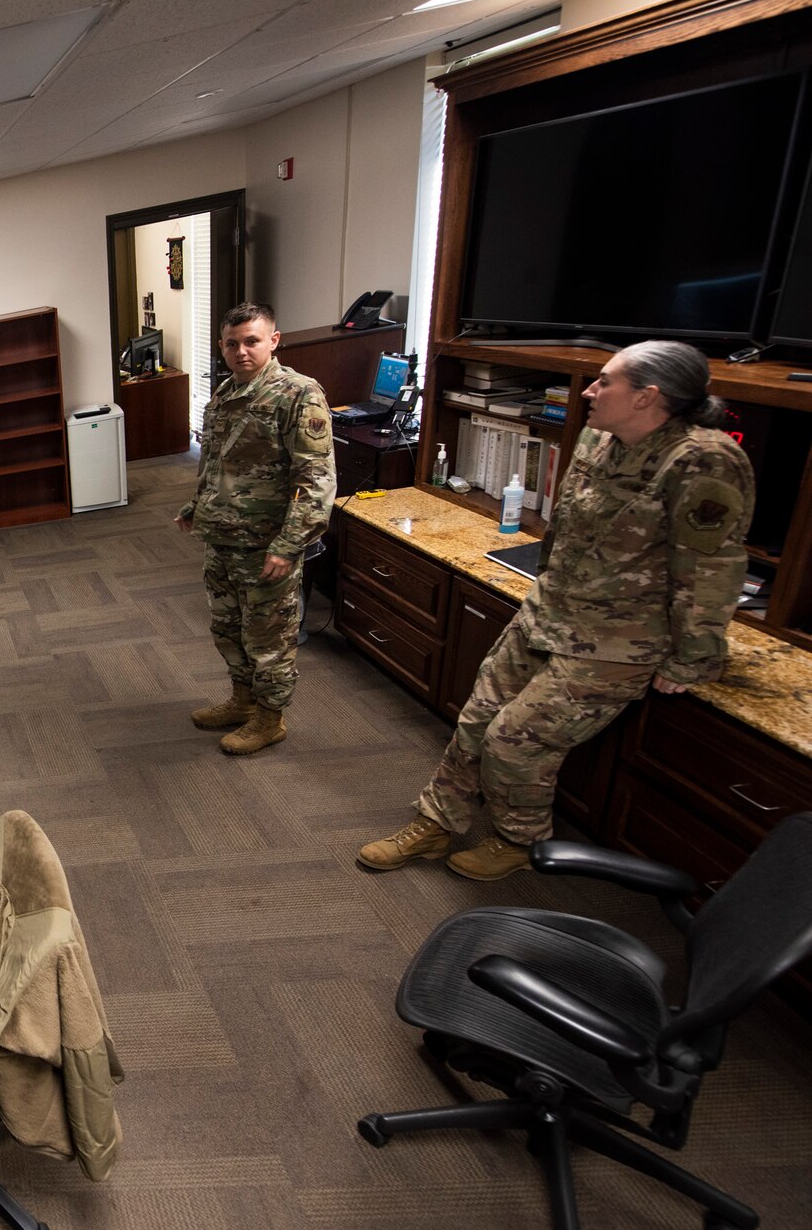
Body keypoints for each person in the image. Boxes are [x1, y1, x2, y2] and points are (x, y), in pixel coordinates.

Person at [359, 339, 754, 881]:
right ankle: (437, 821)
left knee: (515, 741)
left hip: (617, 642)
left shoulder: (705, 462)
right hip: (549, 611)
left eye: (605, 381)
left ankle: (517, 840)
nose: (590, 390)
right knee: (476, 719)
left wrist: (691, 659)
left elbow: (712, 571)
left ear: (647, 397)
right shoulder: (598, 435)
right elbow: (567, 526)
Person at [176, 301, 336, 754]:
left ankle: (270, 719)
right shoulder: (226, 393)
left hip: (267, 544)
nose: (242, 351)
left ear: (273, 341)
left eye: (252, 341)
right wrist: (196, 504)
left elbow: (316, 481)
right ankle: (243, 701)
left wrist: (287, 547)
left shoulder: (299, 395)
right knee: (228, 628)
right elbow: (217, 463)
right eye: (232, 343)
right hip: (223, 537)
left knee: (269, 636)